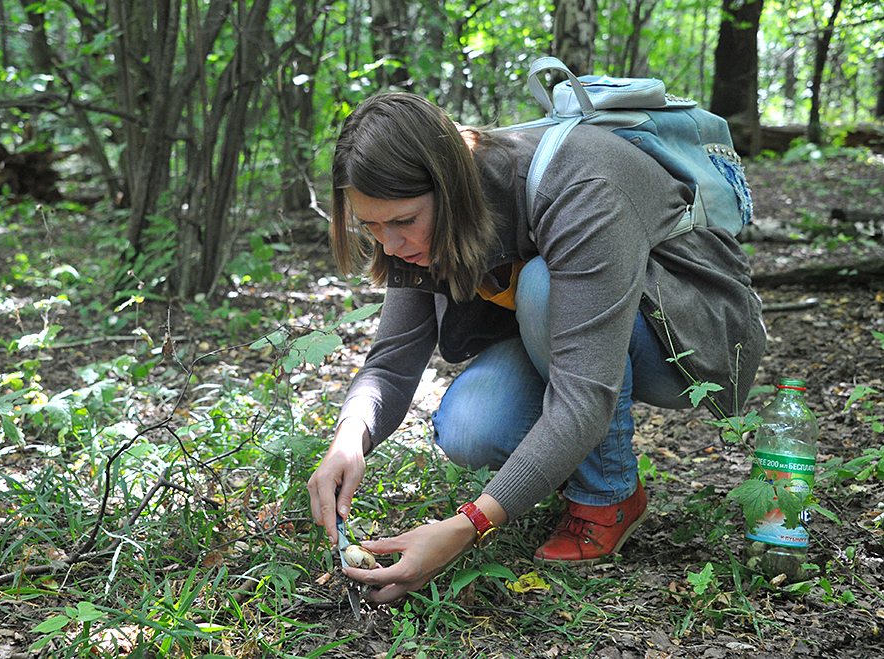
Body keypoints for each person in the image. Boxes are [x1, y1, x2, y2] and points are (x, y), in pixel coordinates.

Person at [306, 92, 765, 604]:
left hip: (693, 337)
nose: (390, 246)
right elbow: (391, 362)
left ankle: (607, 497)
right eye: (371, 227)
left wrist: (469, 525)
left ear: (451, 188)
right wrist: (349, 439)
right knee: (470, 426)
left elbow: (584, 396)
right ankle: (556, 463)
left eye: (403, 222)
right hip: (575, 334)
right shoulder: (415, 219)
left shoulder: (581, 186)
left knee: (542, 287)